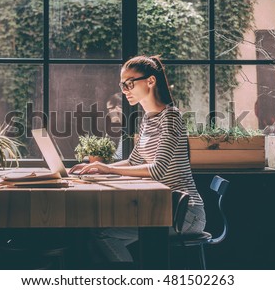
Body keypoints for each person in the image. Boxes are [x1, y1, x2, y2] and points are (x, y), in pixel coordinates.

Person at [69, 55, 206, 262]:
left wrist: (109, 170)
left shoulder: (171, 117)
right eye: (122, 84)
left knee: (102, 233)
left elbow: (157, 169)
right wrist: (98, 167)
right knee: (95, 232)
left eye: (129, 83)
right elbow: (134, 161)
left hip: (186, 213)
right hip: (163, 207)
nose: (124, 90)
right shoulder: (147, 119)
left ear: (150, 81)